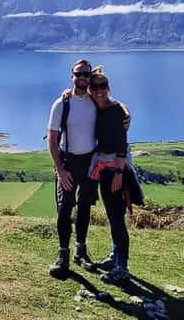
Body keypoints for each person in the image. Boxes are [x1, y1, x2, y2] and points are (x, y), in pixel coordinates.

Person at [46, 59, 130, 279]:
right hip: (68, 163)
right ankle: (62, 254)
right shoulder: (61, 104)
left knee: (84, 207)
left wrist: (126, 113)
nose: (82, 77)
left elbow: (114, 103)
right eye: (78, 73)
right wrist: (60, 170)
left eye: (86, 74)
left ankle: (80, 251)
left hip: (90, 162)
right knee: (65, 209)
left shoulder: (94, 100)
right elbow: (52, 140)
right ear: (72, 76)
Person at [87, 65, 143, 283]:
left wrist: (119, 173)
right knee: (112, 216)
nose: (99, 90)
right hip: (104, 168)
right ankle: (114, 256)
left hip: (116, 169)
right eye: (95, 86)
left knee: (117, 218)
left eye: (103, 86)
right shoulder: (96, 107)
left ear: (108, 87)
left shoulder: (115, 110)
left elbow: (122, 144)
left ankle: (122, 267)